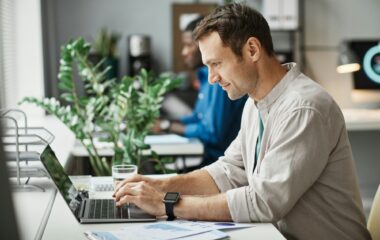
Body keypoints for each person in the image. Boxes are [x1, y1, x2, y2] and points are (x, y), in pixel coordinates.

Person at [114, 3, 371, 239]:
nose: (212, 78)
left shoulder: (304, 108)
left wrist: (166, 204)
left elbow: (263, 202)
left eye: (217, 64)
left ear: (252, 50)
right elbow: (228, 172)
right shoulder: (254, 102)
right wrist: (157, 184)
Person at [155, 16, 247, 167]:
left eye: (188, 45)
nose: (184, 52)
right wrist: (168, 122)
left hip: (221, 164)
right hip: (209, 160)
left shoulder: (220, 81)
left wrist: (167, 126)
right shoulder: (206, 77)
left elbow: (212, 133)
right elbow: (198, 117)